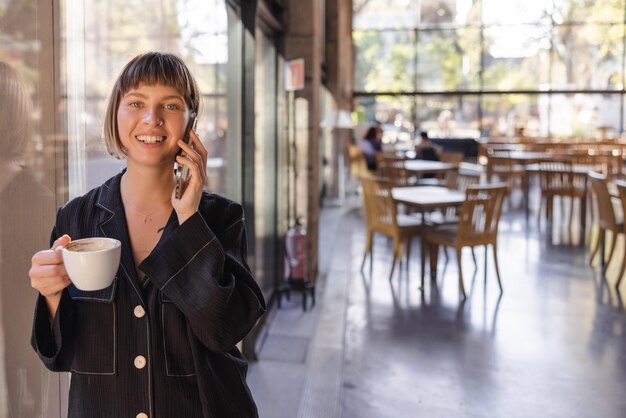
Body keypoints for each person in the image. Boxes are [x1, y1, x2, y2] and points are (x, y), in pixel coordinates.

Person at [29, 52, 266, 417]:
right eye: (136, 102)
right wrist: (50, 295)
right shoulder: (76, 218)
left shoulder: (220, 217)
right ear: (115, 114)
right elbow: (59, 357)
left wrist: (188, 218)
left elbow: (225, 330)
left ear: (190, 121)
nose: (151, 119)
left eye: (170, 105)